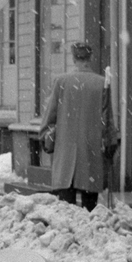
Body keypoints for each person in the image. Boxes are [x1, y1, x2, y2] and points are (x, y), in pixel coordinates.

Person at [39, 43, 117, 211]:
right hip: (91, 154)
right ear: (91, 58)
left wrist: (46, 137)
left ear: (74, 59)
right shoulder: (101, 83)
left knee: (67, 210)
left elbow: (49, 116)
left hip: (65, 153)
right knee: (91, 210)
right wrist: (111, 144)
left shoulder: (61, 82)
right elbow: (107, 120)